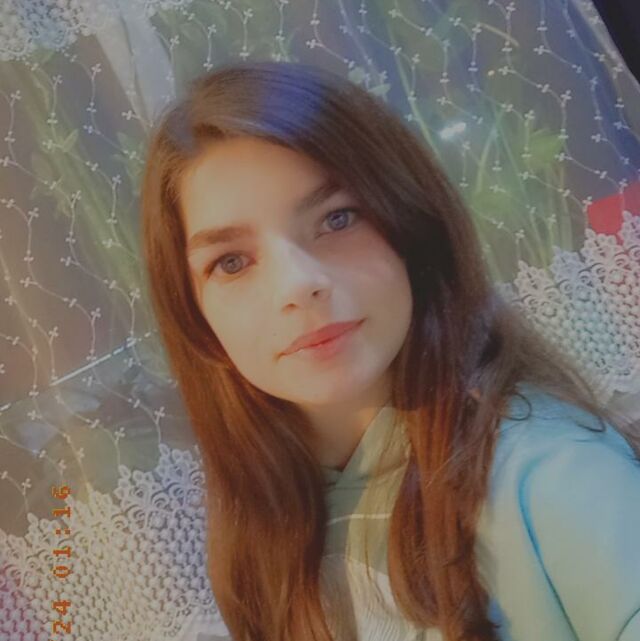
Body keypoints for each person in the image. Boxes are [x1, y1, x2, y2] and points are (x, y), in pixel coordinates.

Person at [139, 60, 640, 641]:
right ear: (194, 315)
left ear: (409, 227)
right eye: (231, 262)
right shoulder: (268, 532)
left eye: (337, 219)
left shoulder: (550, 474)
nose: (297, 285)